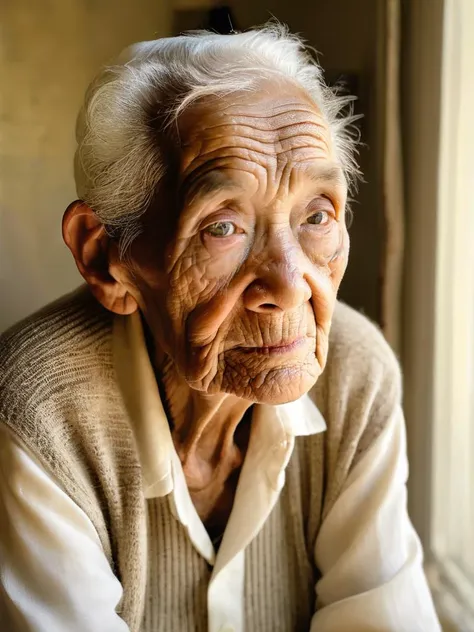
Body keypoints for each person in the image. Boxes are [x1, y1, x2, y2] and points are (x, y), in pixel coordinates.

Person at [0, 24, 440, 632]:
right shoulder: (37, 412)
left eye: (317, 215)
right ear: (107, 259)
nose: (289, 284)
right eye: (222, 227)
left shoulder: (355, 372)